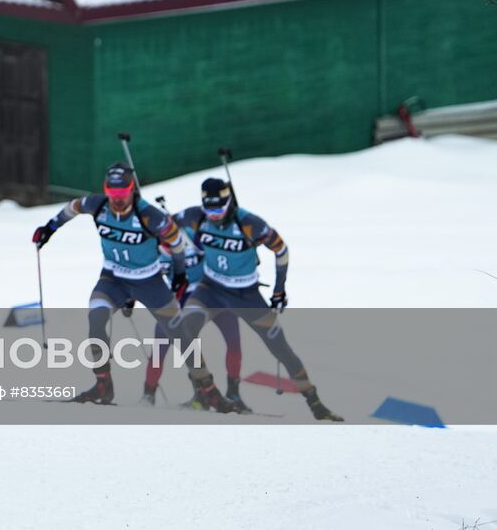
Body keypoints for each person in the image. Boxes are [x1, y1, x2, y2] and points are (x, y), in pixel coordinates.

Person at [32, 163, 235, 412]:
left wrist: (180, 274)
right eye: (112, 193)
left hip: (149, 283)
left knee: (181, 337)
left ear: (132, 191)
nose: (117, 200)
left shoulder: (150, 216)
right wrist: (49, 229)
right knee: (96, 321)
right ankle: (103, 386)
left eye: (122, 194)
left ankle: (209, 392)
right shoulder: (97, 205)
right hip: (112, 279)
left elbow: (177, 243)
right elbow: (71, 208)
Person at [172, 177, 343, 421]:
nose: (214, 215)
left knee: (280, 348)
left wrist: (279, 290)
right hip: (210, 290)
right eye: (209, 209)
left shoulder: (249, 223)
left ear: (228, 201)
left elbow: (281, 250)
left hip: (245, 294)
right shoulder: (195, 217)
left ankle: (316, 404)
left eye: (219, 208)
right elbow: (160, 225)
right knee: (183, 332)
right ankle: (207, 393)